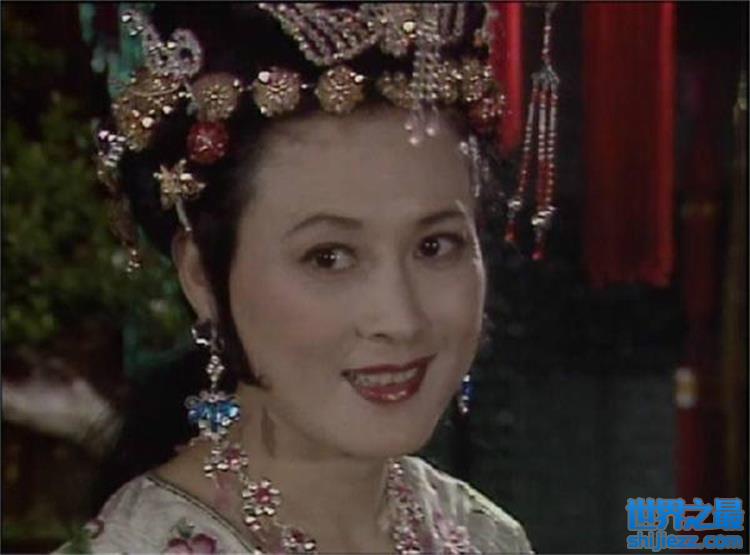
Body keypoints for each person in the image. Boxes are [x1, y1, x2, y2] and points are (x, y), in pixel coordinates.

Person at [62, 3, 534, 553]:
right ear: (203, 277)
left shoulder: (486, 537)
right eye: (328, 257)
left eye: (435, 246)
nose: (400, 319)